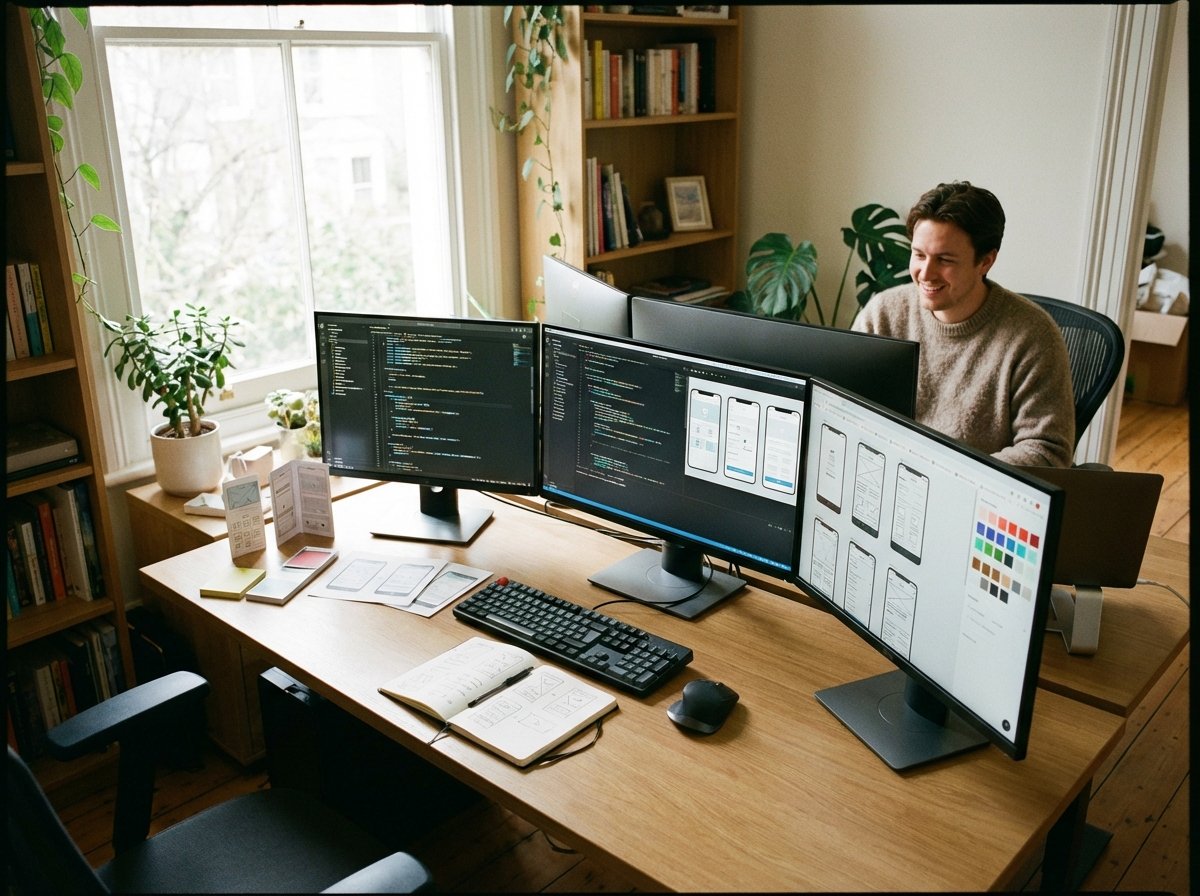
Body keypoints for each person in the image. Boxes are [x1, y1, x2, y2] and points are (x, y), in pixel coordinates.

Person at [852, 181, 1075, 467]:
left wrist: (952, 475)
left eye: (944, 260)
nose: (926, 273)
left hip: (977, 499)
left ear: (985, 262)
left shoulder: (1033, 336)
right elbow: (845, 411)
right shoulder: (882, 314)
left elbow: (1047, 450)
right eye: (919, 255)